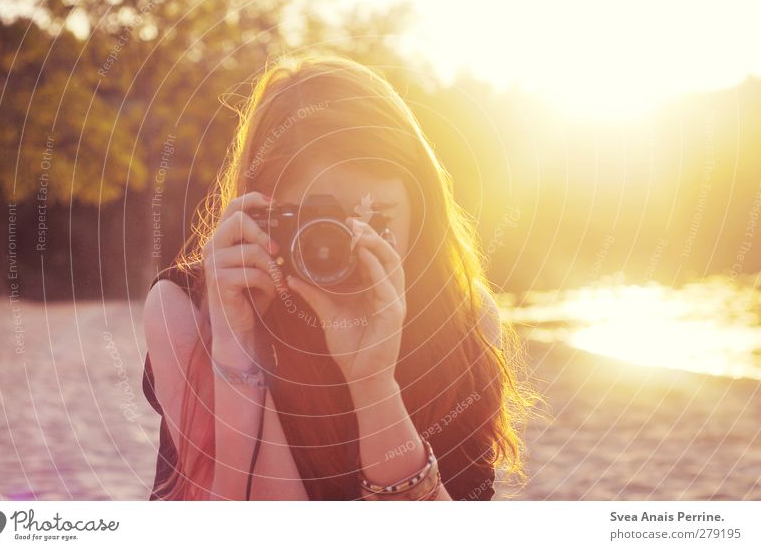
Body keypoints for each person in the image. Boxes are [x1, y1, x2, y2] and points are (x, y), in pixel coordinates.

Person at [142, 54, 535, 500]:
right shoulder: (187, 312)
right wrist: (238, 348)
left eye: (376, 218)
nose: (343, 245)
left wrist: (374, 387)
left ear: (420, 209)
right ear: (262, 213)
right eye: (316, 221)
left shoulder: (463, 313)